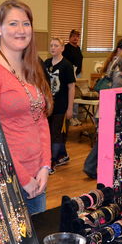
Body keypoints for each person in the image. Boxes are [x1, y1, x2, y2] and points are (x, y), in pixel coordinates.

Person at [0, 0, 53, 214]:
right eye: (13, 24)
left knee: (38, 241)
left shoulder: (31, 66)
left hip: (37, 176)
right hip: (8, 176)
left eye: (26, 23)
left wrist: (45, 166)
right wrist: (23, 177)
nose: (21, 30)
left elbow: (40, 118)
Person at [45, 37, 75, 171]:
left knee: (56, 134)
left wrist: (70, 108)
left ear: (62, 48)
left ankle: (53, 161)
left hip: (61, 106)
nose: (53, 48)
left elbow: (71, 88)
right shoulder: (46, 63)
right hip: (47, 106)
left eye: (56, 45)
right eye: (51, 45)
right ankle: (63, 155)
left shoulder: (67, 65)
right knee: (48, 133)